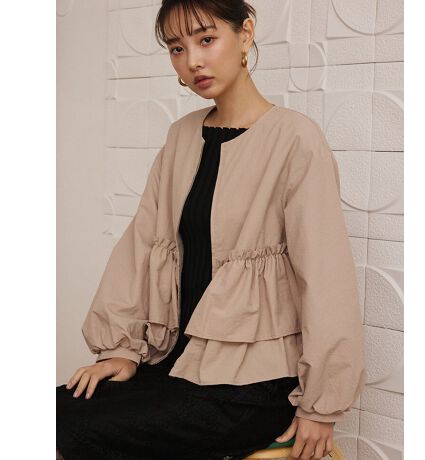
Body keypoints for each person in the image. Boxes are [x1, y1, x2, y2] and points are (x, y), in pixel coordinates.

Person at [56, 1, 367, 459]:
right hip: (173, 363)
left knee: (67, 431)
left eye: (206, 39)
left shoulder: (294, 139)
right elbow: (141, 245)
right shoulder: (181, 137)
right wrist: (120, 349)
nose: (193, 61)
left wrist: (322, 406)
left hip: (251, 385)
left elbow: (325, 276)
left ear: (245, 34)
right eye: (177, 48)